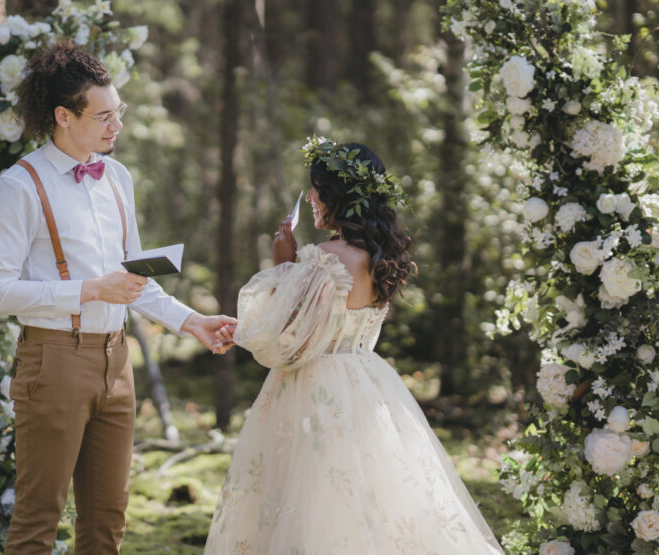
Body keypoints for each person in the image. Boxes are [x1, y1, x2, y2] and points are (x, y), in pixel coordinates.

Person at [0, 40, 236, 555]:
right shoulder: (19, 186)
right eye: (103, 116)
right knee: (37, 520)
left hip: (117, 362)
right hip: (51, 361)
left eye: (118, 112)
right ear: (63, 116)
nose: (116, 125)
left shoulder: (117, 178)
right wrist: (90, 289)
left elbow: (136, 279)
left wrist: (192, 322)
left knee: (106, 524)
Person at [205, 137, 504, 554]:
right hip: (367, 383)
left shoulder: (322, 260)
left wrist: (283, 266)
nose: (310, 198)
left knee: (311, 497)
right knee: (372, 498)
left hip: (312, 390)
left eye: (317, 189)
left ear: (338, 198)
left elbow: (283, 345)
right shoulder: (380, 257)